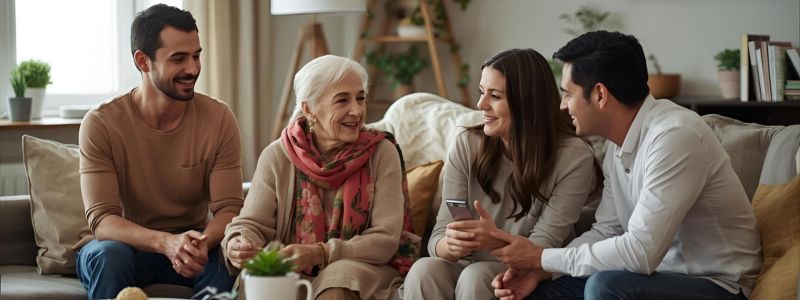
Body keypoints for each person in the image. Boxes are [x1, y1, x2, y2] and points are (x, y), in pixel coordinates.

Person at [491, 31, 762, 300]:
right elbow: (607, 230)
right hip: (653, 278)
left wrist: (542, 257)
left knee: (605, 286)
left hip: (717, 284)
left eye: (567, 94)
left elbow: (640, 253)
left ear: (599, 95)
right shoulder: (618, 144)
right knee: (534, 291)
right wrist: (542, 271)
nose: (562, 106)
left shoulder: (675, 137)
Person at [399, 48, 602, 300]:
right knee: (424, 269)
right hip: (465, 263)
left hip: (525, 269)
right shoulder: (466, 145)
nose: (481, 105)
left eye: (494, 96)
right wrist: (450, 245)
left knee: (478, 275)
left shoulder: (572, 155)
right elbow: (439, 236)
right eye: (481, 93)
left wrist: (491, 239)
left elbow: (544, 244)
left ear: (527, 102)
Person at [77, 4, 243, 300]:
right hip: (123, 247)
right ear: (143, 61)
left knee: (226, 255)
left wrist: (201, 243)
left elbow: (229, 210)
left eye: (196, 55)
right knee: (110, 255)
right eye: (178, 59)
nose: (192, 69)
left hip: (191, 248)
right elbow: (103, 221)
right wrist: (165, 242)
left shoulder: (219, 119)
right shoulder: (101, 123)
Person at [222, 55, 420, 300]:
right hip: (293, 270)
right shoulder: (278, 155)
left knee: (338, 279)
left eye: (360, 98)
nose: (356, 110)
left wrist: (320, 253)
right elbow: (250, 223)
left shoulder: (382, 152)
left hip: (365, 268)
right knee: (259, 279)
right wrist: (238, 242)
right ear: (309, 108)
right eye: (342, 100)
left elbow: (385, 239)